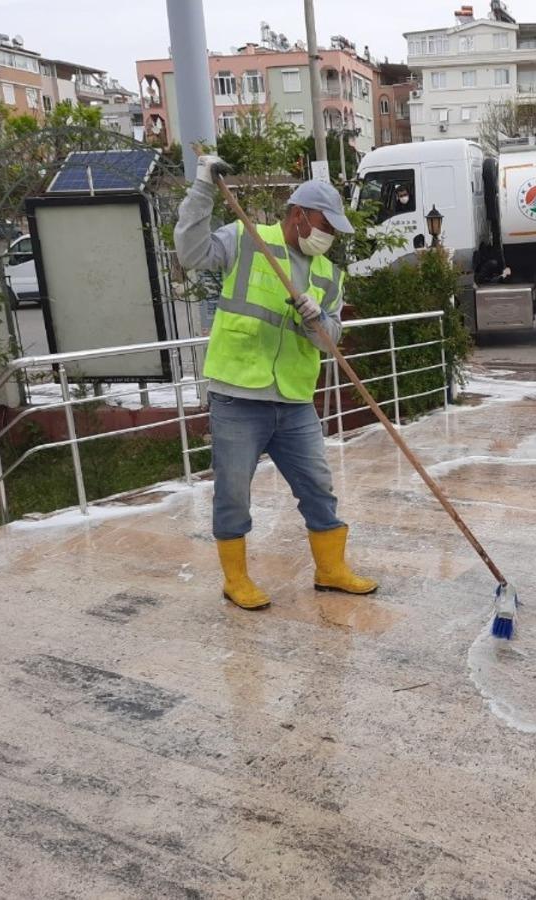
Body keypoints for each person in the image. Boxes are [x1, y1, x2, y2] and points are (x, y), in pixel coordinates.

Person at [174, 154, 377, 610]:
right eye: (325, 224)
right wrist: (203, 189)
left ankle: (331, 570)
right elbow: (188, 254)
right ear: (299, 215)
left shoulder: (328, 274)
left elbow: (331, 340)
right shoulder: (246, 241)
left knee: (318, 487)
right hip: (238, 396)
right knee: (233, 492)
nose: (329, 237)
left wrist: (317, 319)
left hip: (294, 400)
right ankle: (236, 579)